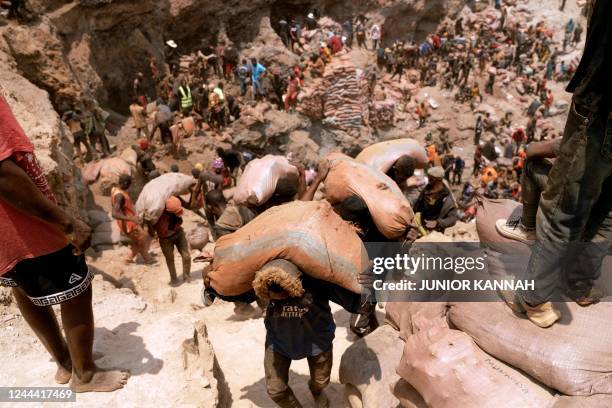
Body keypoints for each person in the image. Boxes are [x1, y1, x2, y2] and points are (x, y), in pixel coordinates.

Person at [0, 96, 129, 392]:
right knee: (76, 289)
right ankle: (85, 375)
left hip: (4, 234)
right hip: (18, 222)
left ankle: (65, 362)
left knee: (22, 285)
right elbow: (3, 173)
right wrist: (65, 223)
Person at [506, 0, 612, 328]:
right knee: (605, 212)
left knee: (562, 213)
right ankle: (580, 285)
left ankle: (534, 299)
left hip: (600, 113)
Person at [496, 139, 561, 244]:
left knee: (530, 163)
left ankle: (527, 228)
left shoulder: (581, 137)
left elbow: (531, 151)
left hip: (572, 194)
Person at [111, 174, 153, 264]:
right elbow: (114, 213)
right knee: (142, 238)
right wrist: (131, 218)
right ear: (125, 183)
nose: (129, 187)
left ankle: (147, 258)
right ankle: (128, 258)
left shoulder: (115, 190)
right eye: (129, 185)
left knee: (139, 239)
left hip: (127, 222)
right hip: (128, 224)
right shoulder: (119, 196)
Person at [154, 196, 191, 285]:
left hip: (178, 233)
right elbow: (157, 229)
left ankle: (186, 277)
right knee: (170, 259)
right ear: (167, 210)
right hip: (165, 239)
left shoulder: (175, 207)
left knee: (186, 256)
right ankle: (174, 279)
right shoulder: (159, 216)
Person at [413, 166, 458, 232]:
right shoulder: (426, 190)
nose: (428, 179)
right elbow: (417, 207)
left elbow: (452, 219)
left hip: (436, 231)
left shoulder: (447, 198)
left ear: (435, 179)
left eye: (430, 178)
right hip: (422, 227)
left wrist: (437, 223)